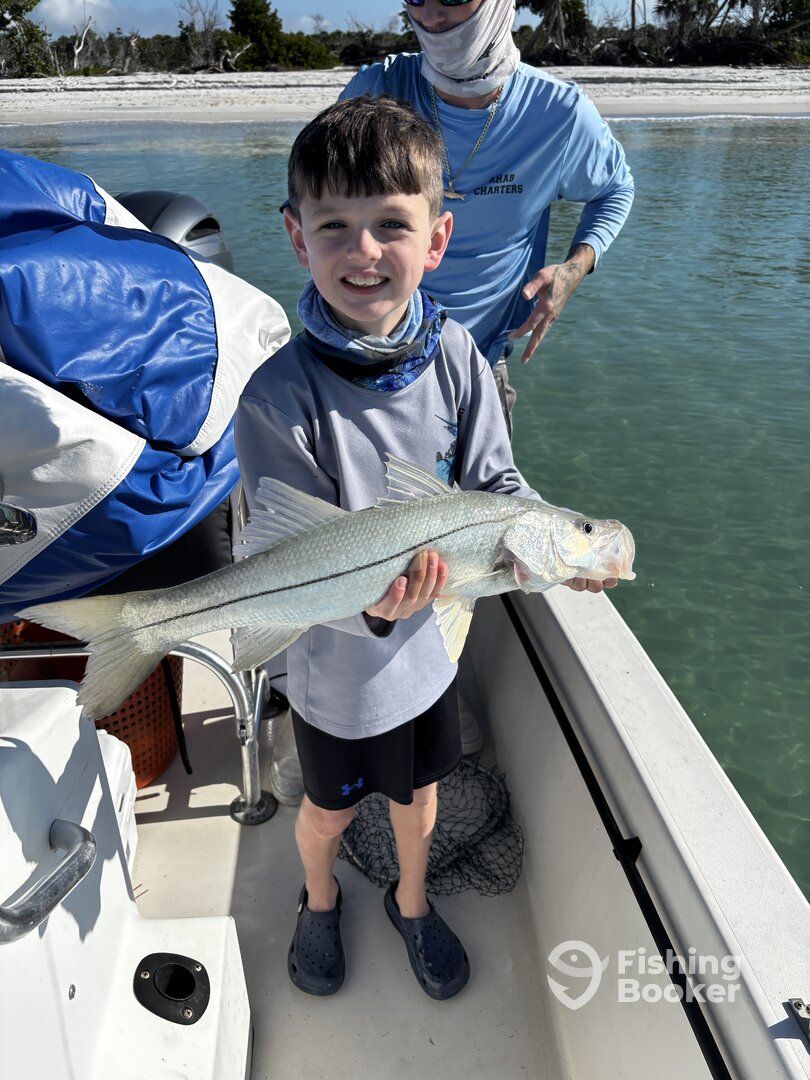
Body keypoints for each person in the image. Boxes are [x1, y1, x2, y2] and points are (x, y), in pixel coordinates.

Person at [236, 96, 615, 1000]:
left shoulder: (458, 358)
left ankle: (411, 900)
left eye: (391, 225)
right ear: (296, 236)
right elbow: (281, 559)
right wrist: (371, 606)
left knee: (419, 802)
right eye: (335, 225)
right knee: (326, 813)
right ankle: (319, 898)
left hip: (428, 668)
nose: (363, 250)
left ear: (437, 239)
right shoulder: (274, 399)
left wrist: (562, 551)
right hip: (332, 678)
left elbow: (501, 485)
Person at [339, 0, 635, 433]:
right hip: (364, 364)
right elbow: (313, 210)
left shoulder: (560, 114)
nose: (431, 16)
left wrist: (574, 267)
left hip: (481, 368)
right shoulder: (376, 91)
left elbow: (614, 189)